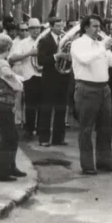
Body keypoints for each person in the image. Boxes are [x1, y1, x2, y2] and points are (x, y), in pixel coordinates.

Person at [70, 15, 112, 174]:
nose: (99, 30)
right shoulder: (78, 44)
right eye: (95, 26)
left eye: (99, 26)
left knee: (105, 127)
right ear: (86, 27)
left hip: (104, 88)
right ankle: (87, 165)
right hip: (86, 88)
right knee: (86, 128)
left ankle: (104, 162)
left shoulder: (100, 45)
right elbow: (85, 60)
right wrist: (103, 48)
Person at [0, 34, 27, 182]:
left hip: (1, 101)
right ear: (8, 48)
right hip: (3, 102)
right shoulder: (3, 66)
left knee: (12, 136)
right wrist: (19, 81)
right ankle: (0, 172)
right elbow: (17, 86)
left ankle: (10, 166)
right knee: (7, 137)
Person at [37, 17, 70, 147]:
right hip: (49, 79)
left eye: (61, 25)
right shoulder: (44, 40)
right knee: (46, 109)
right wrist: (58, 56)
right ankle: (44, 138)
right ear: (51, 27)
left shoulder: (66, 40)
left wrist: (68, 58)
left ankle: (58, 138)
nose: (60, 28)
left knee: (61, 109)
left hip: (63, 78)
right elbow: (41, 60)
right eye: (57, 26)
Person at [8, 18, 43, 141]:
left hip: (43, 76)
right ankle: (29, 130)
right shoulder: (22, 43)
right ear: (29, 30)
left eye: (38, 28)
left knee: (43, 106)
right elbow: (12, 58)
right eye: (32, 28)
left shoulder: (44, 41)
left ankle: (40, 130)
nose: (35, 31)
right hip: (29, 76)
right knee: (30, 106)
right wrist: (29, 53)